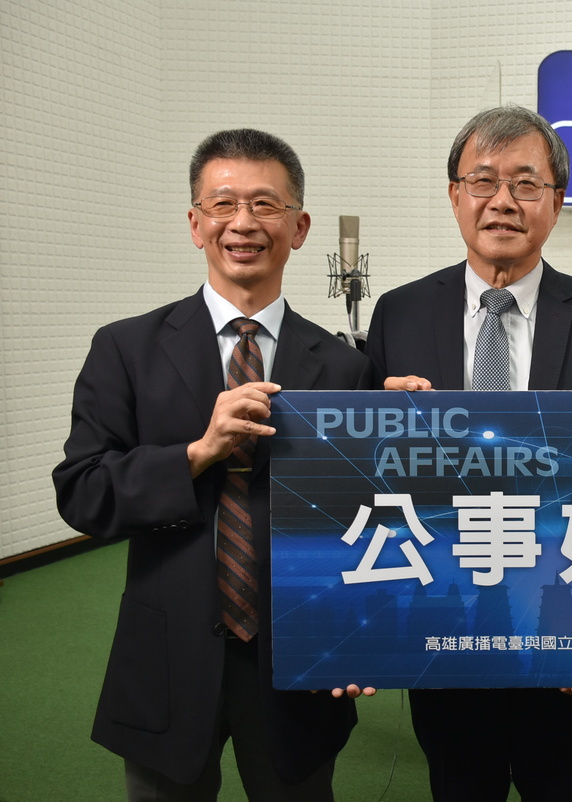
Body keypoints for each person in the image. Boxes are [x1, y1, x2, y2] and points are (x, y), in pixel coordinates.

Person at [53, 129, 370, 801]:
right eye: (223, 204)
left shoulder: (345, 366)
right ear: (196, 225)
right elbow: (82, 493)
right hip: (165, 657)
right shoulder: (126, 349)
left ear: (300, 226)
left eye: (266, 203)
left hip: (299, 660)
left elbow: (367, 517)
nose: (245, 222)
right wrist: (197, 454)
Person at [365, 105, 572, 801]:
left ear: (558, 202)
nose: (503, 201)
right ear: (454, 195)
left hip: (568, 621)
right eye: (483, 180)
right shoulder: (398, 314)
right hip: (444, 622)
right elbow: (365, 477)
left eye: (527, 183)